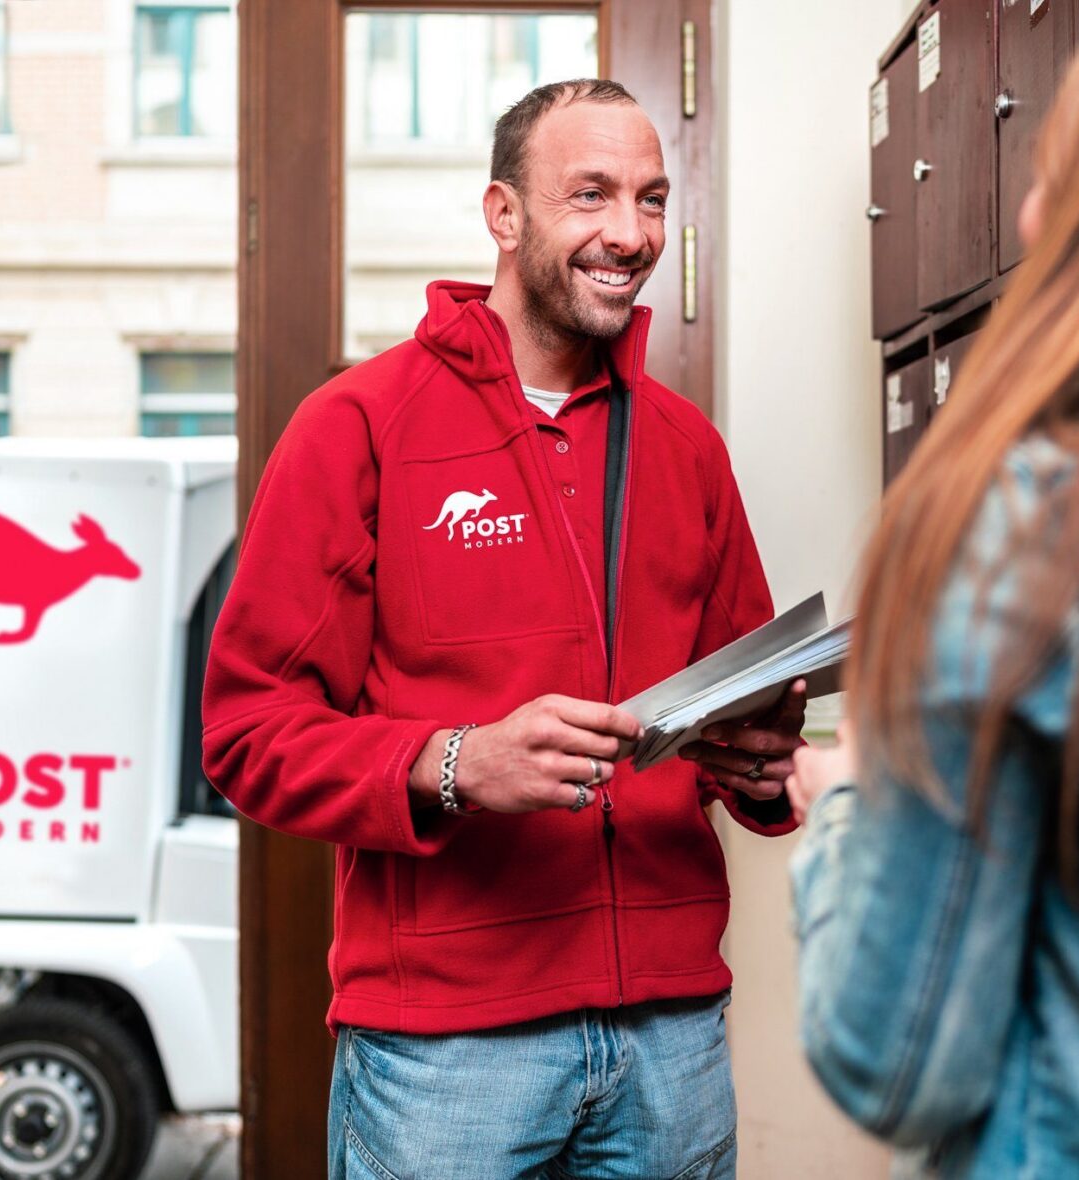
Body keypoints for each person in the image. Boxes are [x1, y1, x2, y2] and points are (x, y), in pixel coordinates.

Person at [202, 78, 806, 1179]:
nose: (628, 234)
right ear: (504, 214)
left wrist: (761, 768)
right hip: (446, 1059)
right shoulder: (356, 427)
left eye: (652, 199)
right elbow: (248, 731)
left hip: (671, 1045)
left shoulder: (686, 449)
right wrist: (457, 762)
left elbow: (737, 711)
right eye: (590, 196)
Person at [786, 1, 1079, 1176]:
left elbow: (893, 1061)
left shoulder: (1034, 530)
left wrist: (848, 799)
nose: (1029, 210)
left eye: (1061, 172)